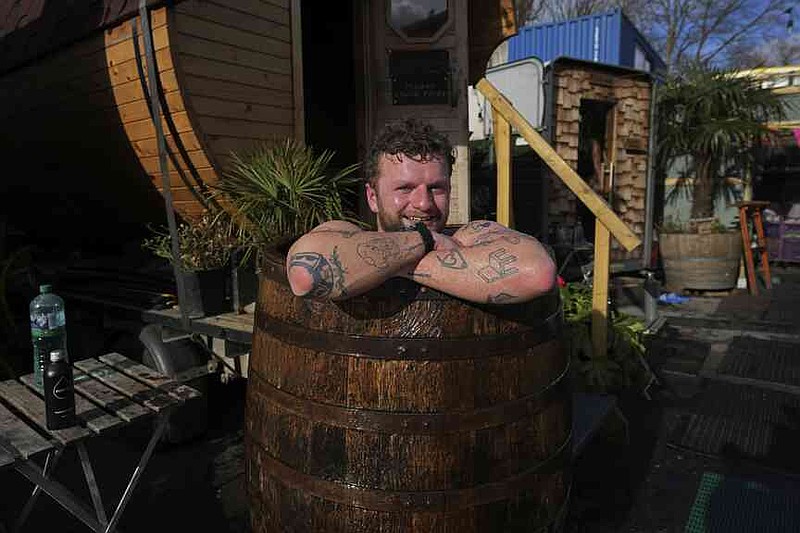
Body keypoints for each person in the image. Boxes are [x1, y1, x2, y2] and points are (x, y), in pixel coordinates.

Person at [286, 118, 556, 304]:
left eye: (436, 188)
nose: (424, 203)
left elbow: (538, 273)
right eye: (405, 188)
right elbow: (305, 276)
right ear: (372, 197)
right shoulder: (346, 233)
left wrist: (375, 265)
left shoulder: (472, 235)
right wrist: (426, 241)